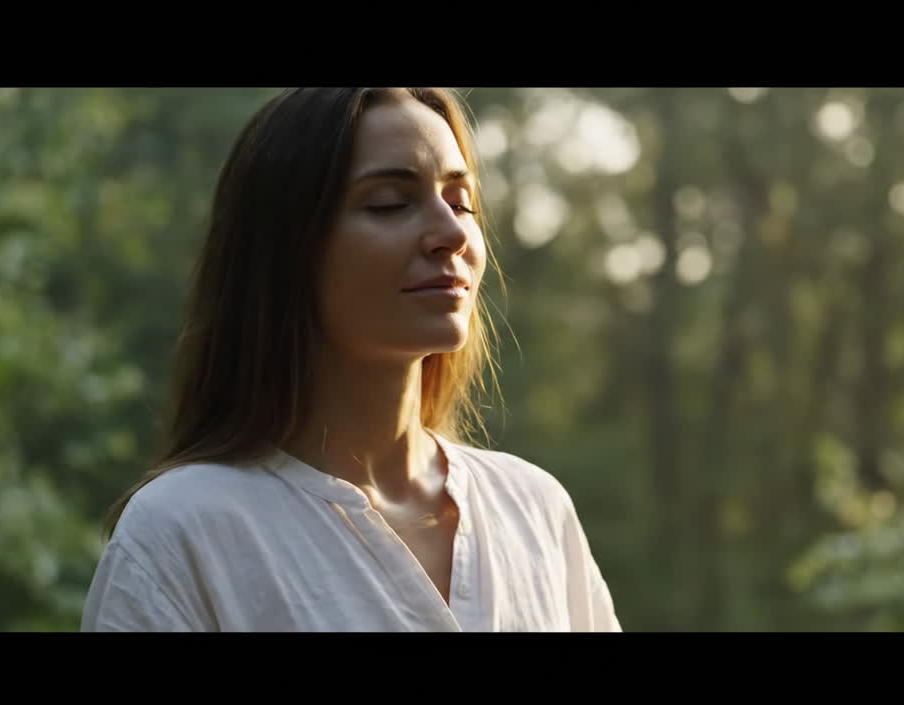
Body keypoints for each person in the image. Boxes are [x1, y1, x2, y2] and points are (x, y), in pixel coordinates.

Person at [80, 87, 621, 632]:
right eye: (390, 203)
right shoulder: (182, 534)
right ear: (285, 249)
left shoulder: (533, 510)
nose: (453, 233)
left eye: (460, 202)